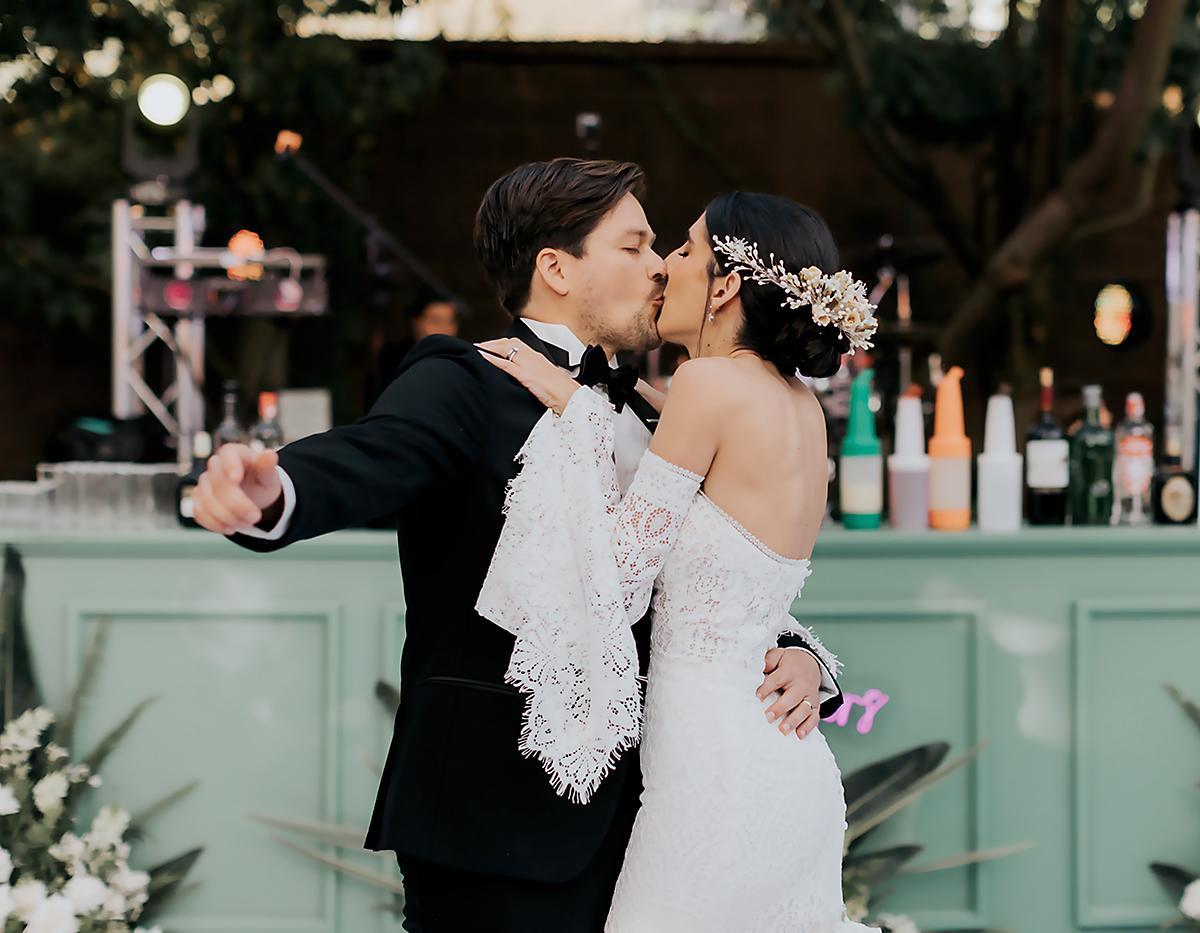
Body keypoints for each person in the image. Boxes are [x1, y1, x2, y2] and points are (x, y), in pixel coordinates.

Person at [188, 159, 840, 933]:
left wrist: (801, 653)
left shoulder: (661, 407)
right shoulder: (463, 380)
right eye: (634, 247)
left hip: (657, 821)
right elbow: (372, 454)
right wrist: (274, 492)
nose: (661, 266)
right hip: (496, 823)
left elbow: (710, 565)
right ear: (557, 268)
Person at [476, 191, 878, 932]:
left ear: (725, 285)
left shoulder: (706, 385)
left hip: (713, 773)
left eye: (687, 250)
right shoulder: (803, 410)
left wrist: (581, 414)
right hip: (791, 766)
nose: (667, 265)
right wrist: (811, 659)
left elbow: (622, 581)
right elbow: (740, 576)